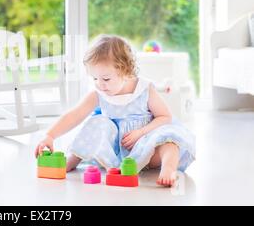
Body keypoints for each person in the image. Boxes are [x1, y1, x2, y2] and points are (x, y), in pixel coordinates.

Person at [34, 35, 196, 187]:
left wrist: (140, 132)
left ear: (125, 71)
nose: (99, 84)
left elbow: (165, 116)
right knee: (96, 123)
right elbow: (75, 115)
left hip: (146, 143)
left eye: (105, 79)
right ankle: (73, 159)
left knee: (168, 140)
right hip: (115, 153)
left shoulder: (144, 89)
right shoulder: (98, 93)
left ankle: (168, 168)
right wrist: (50, 135)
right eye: (95, 78)